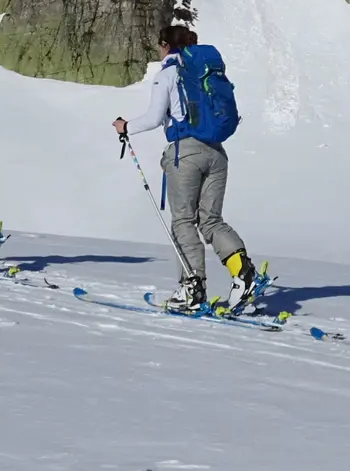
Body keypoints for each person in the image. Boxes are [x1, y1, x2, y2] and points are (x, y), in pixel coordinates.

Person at [112, 23, 263, 313]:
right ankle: (242, 272)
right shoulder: (202, 72)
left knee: (183, 221)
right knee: (211, 220)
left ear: (166, 45)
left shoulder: (168, 74)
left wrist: (125, 126)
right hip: (217, 152)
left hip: (186, 153)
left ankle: (192, 289)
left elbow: (156, 117)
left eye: (159, 45)